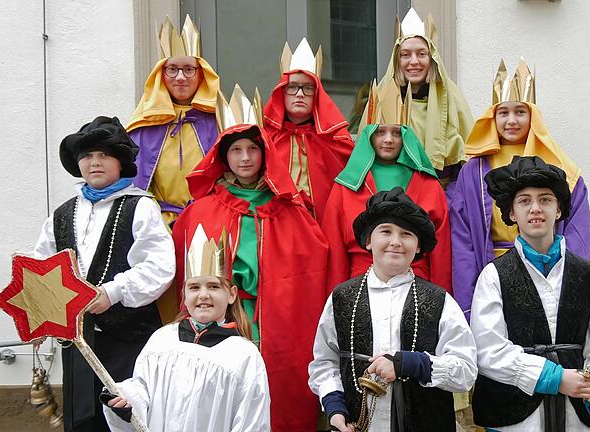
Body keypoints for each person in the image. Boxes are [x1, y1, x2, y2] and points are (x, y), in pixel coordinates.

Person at [172, 86, 329, 432]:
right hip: (222, 321)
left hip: (277, 324)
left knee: (276, 397)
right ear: (223, 157)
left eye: (253, 149)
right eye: (237, 150)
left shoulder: (291, 210)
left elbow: (312, 270)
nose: (245, 158)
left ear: (265, 153)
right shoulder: (202, 211)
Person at [33, 116, 175, 432]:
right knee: (82, 421)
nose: (95, 162)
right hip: (78, 343)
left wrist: (112, 292)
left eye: (104, 155)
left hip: (128, 340)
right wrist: (40, 314)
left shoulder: (141, 207)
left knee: (125, 418)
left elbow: (160, 266)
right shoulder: (62, 214)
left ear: (119, 162)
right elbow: (42, 268)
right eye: (87, 156)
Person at [470, 156, 590, 432]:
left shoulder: (587, 275)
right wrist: (554, 377)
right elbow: (488, 350)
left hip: (575, 415)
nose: (535, 208)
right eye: (525, 201)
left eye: (545, 199)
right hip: (514, 418)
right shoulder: (494, 276)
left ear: (559, 210)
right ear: (512, 213)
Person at [309, 188, 477, 432]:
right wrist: (335, 409)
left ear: (418, 246)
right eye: (385, 231)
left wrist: (410, 364)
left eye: (406, 234)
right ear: (368, 240)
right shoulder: (342, 298)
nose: (396, 242)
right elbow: (324, 363)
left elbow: (466, 371)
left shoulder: (439, 301)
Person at [450, 59, 590, 322]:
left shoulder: (560, 166)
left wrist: (568, 281)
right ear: (493, 117)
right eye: (503, 113)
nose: (511, 121)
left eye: (520, 112)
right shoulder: (473, 170)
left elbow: (578, 235)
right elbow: (463, 239)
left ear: (533, 116)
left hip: (546, 270)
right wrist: (467, 303)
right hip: (491, 268)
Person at [101, 227, 271, 432]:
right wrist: (125, 399)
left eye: (214, 286)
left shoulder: (244, 356)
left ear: (232, 294)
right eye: (194, 287)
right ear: (183, 294)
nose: (203, 295)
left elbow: (252, 422)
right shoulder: (162, 340)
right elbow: (142, 391)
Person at [125, 15, 220, 324]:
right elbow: (132, 183)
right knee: (165, 300)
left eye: (189, 69)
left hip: (209, 224)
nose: (180, 77)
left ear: (201, 74)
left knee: (207, 295)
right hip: (159, 226)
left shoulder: (219, 121)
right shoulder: (143, 125)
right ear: (161, 75)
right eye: (172, 69)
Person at [322, 80, 451, 292]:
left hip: (417, 285)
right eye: (381, 132)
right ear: (369, 135)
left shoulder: (427, 183)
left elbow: (441, 251)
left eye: (396, 133)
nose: (388, 140)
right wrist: (337, 298)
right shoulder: (347, 185)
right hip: (360, 284)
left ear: (406, 136)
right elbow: (335, 252)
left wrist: (439, 297)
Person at [369, 8, 473, 192]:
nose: (414, 61)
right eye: (406, 54)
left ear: (432, 58)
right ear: (396, 60)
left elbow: (468, 156)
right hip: (394, 192)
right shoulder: (383, 97)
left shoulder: (451, 97)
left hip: (442, 193)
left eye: (421, 54)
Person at [263, 38, 354, 220]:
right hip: (277, 224)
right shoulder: (265, 138)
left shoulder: (336, 140)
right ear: (282, 91)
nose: (299, 94)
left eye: (307, 88)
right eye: (293, 87)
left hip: (321, 224)